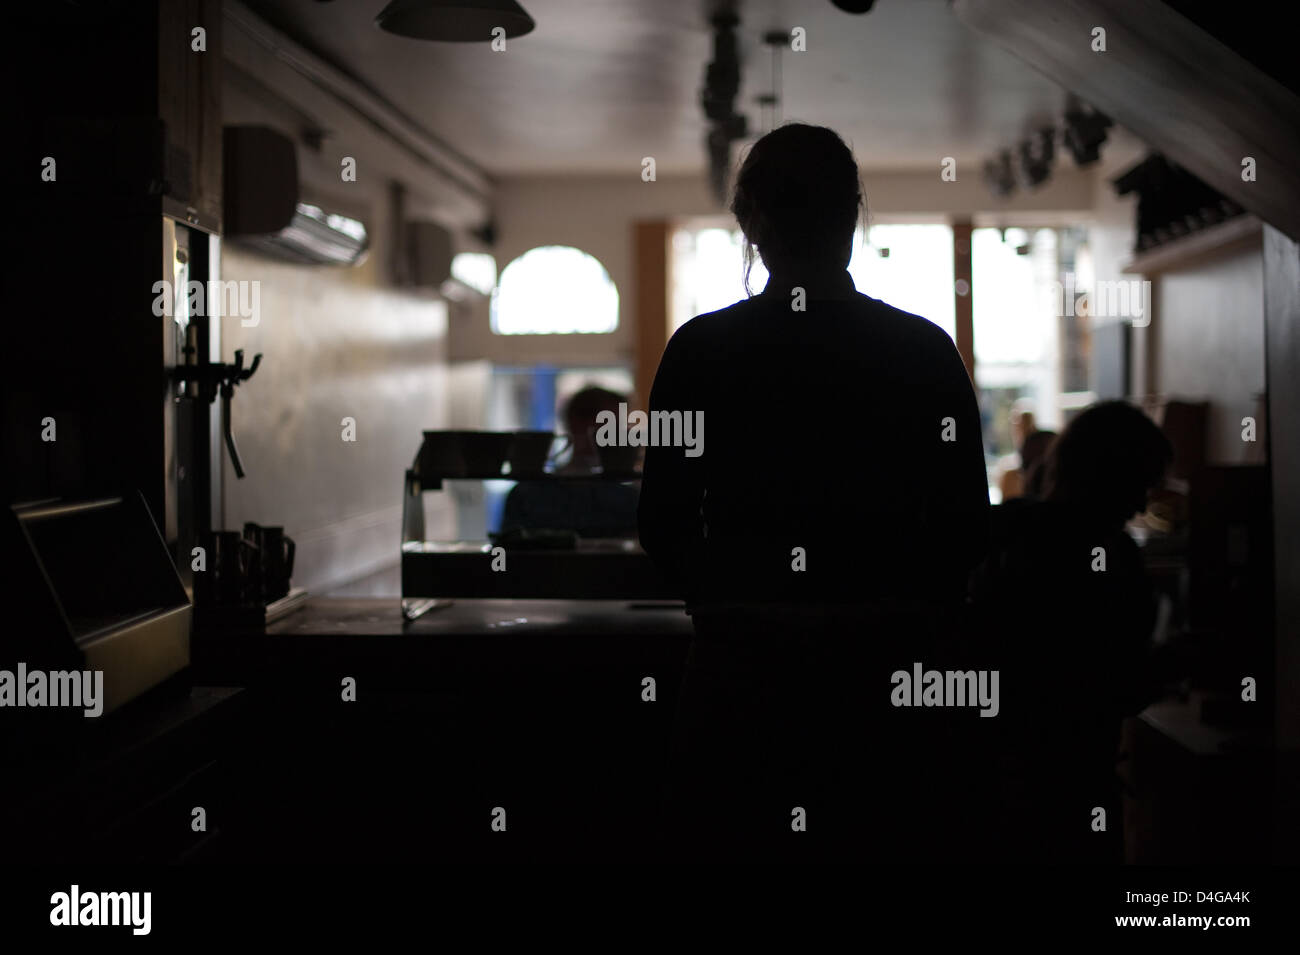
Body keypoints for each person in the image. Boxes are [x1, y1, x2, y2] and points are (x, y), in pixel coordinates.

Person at [637, 124, 991, 861]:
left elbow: (662, 525)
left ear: (749, 222)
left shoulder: (700, 352)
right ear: (851, 217)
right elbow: (964, 530)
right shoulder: (923, 351)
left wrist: (736, 595)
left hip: (743, 667)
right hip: (888, 668)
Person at [968, 400, 1173, 863]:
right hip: (1074, 789)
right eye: (1138, 483)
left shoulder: (1003, 532)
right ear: (1110, 476)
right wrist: (1172, 663)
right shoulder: (1112, 556)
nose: (1141, 503)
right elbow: (1113, 686)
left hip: (993, 787)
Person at [500, 386, 639, 539]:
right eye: (608, 425)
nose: (614, 436)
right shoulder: (528, 494)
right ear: (576, 423)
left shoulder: (627, 498)